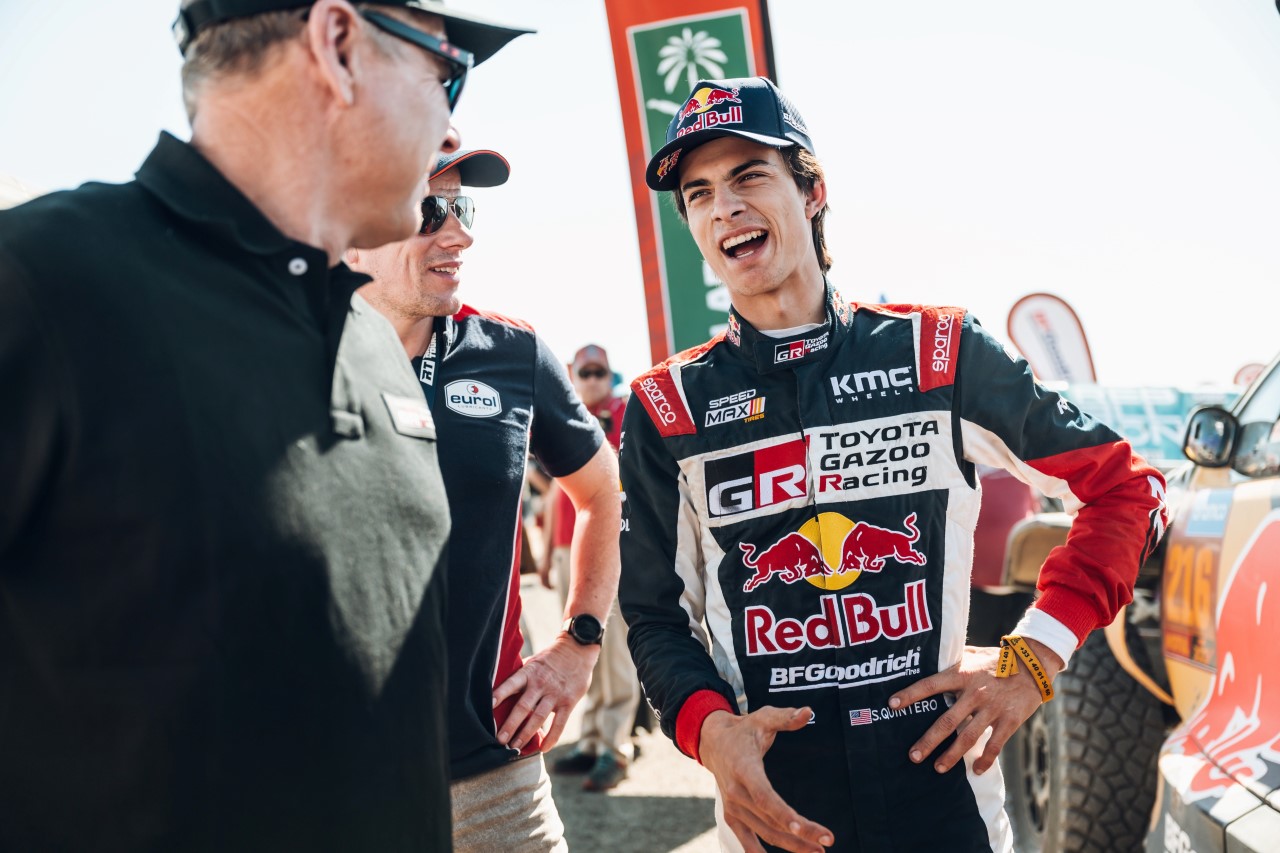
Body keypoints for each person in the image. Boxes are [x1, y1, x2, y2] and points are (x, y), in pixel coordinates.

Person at [0, 2, 529, 850]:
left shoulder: (371, 340)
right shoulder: (39, 282)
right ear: (337, 45)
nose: (450, 127)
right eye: (447, 73)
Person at [618, 76, 1169, 853]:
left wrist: (1036, 656)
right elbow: (654, 616)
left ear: (812, 191)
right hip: (778, 816)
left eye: (748, 176)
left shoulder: (939, 353)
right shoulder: (667, 405)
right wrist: (710, 732)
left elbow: (1125, 490)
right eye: (699, 194)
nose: (724, 208)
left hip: (945, 806)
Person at [348, 148, 621, 853]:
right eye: (428, 211)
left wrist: (578, 645)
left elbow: (603, 491)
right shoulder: (281, 350)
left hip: (495, 780)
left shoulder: (513, 352)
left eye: (462, 209)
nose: (460, 234)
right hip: (324, 787)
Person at [542, 344, 641, 792]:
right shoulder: (566, 415)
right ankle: (592, 739)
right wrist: (547, 553)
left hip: (609, 544)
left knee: (613, 651)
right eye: (586, 372)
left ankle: (615, 747)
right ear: (574, 376)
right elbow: (550, 492)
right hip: (568, 545)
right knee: (580, 646)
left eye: (601, 372)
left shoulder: (623, 413)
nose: (594, 379)